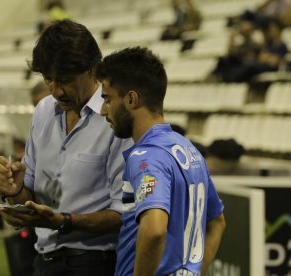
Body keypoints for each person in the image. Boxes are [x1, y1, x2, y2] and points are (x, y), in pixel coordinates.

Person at [0, 19, 132, 276]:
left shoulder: (115, 119)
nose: (56, 90)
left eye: (65, 80)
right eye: (48, 80)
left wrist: (64, 221)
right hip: (43, 260)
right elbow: (30, 200)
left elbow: (123, 215)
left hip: (95, 264)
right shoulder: (43, 111)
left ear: (93, 69)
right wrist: (16, 191)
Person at [96, 47, 226, 275]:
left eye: (107, 98)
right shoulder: (188, 149)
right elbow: (217, 222)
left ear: (131, 99)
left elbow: (154, 230)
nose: (102, 110)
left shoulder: (146, 157)